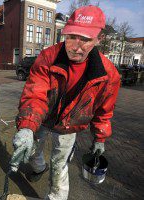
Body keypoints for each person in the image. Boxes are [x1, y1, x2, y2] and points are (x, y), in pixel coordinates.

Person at [10, 5, 120, 200]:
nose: (75, 46)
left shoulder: (108, 74)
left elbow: (104, 110)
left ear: (98, 39)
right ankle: (38, 167)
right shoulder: (48, 57)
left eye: (85, 39)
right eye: (71, 37)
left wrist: (100, 138)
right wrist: (27, 126)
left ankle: (56, 197)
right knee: (33, 149)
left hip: (70, 125)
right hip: (43, 118)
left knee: (59, 164)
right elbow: (36, 94)